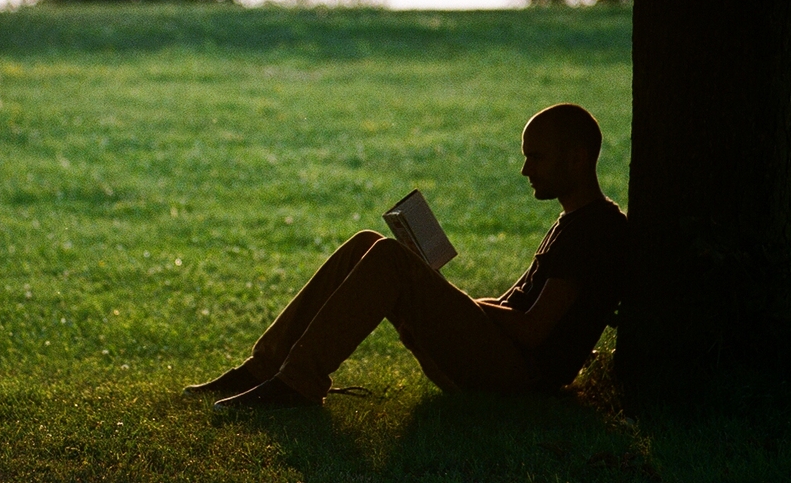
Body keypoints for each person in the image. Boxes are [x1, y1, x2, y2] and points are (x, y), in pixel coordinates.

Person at [184, 103, 628, 408]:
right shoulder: (573, 221)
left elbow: (533, 332)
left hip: (518, 379)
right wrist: (449, 299)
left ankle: (296, 384)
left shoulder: (596, 230)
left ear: (576, 159)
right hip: (501, 361)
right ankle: (262, 369)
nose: (525, 170)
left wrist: (460, 303)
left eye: (537, 158)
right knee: (365, 243)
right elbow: (518, 310)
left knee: (390, 259)